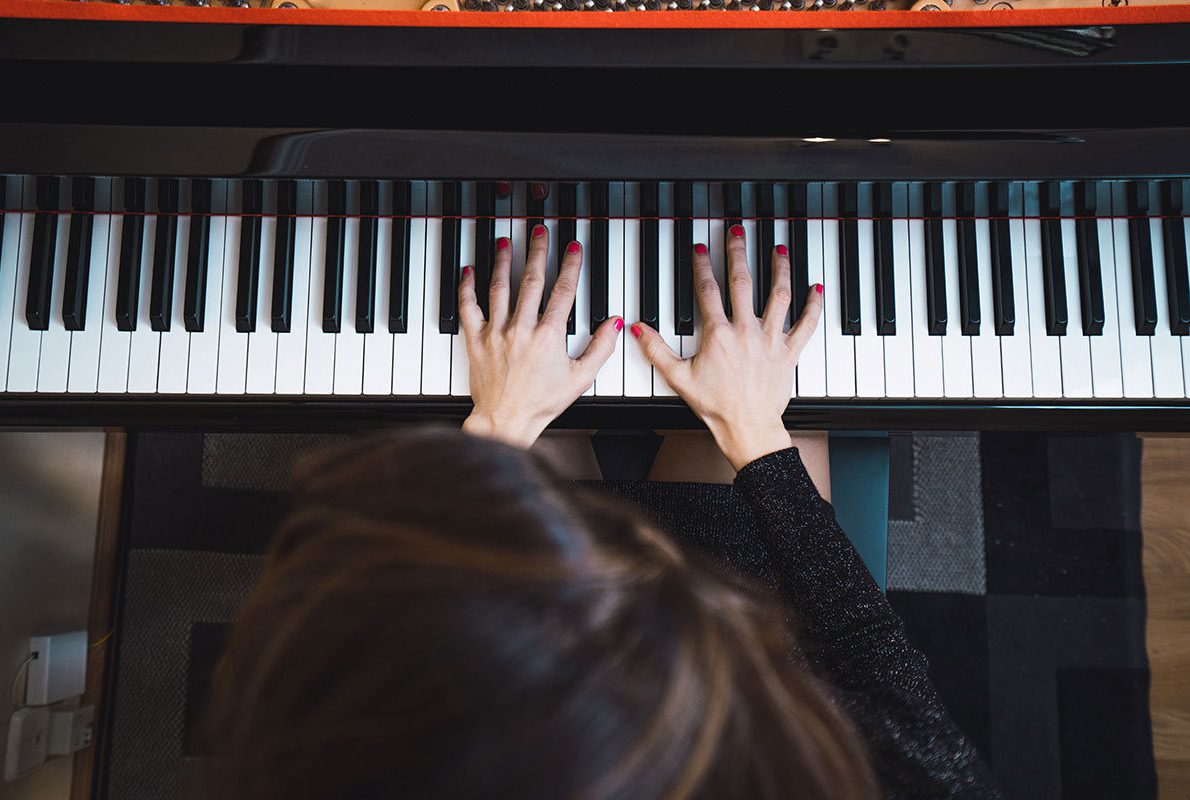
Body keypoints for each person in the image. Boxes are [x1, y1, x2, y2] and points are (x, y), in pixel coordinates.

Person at [199, 224, 1002, 799]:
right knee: (770, 369)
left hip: (517, 622)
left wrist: (498, 433)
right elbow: (864, 650)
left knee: (530, 391)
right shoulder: (888, 777)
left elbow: (369, 611)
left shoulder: (404, 746)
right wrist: (755, 430)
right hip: (757, 631)